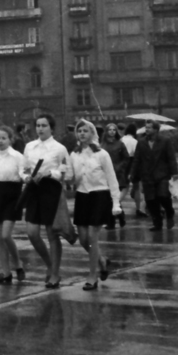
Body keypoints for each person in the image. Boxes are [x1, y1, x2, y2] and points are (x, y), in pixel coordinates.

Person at [69, 119, 123, 290]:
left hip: (100, 195)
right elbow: (71, 178)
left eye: (85, 131)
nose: (82, 134)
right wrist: (69, 178)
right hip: (82, 196)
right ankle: (101, 260)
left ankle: (92, 276)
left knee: (92, 236)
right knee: (83, 238)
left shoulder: (102, 154)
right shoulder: (74, 154)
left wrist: (116, 202)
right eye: (79, 131)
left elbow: (112, 178)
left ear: (92, 133)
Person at [20, 113, 71, 288]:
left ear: (52, 128)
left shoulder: (59, 148)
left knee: (52, 234)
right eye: (38, 126)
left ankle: (55, 274)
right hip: (34, 189)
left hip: (51, 190)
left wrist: (50, 173)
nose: (40, 129)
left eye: (44, 125)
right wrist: (25, 176)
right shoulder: (29, 147)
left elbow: (67, 172)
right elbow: (24, 168)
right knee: (32, 233)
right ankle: (49, 264)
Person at [0, 126, 26, 286]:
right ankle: (6, 272)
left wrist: (27, 177)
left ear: (10, 139)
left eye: (4, 138)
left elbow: (25, 172)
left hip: (12, 195)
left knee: (5, 234)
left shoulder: (17, 156)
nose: (0, 141)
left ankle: (18, 263)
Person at [133, 121, 178, 230]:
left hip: (162, 174)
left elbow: (171, 157)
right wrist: (133, 174)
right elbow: (137, 159)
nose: (146, 129)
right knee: (151, 200)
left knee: (163, 196)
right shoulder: (141, 142)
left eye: (149, 127)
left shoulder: (165, 141)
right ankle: (157, 223)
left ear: (156, 130)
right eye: (146, 127)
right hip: (147, 175)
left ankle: (169, 212)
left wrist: (175, 173)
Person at [99, 123, 130, 231]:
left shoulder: (120, 144)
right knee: (108, 199)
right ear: (106, 131)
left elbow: (126, 158)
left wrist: (120, 167)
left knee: (114, 197)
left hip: (117, 174)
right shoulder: (102, 145)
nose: (112, 132)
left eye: (114, 130)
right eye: (110, 130)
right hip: (105, 175)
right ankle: (115, 218)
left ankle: (115, 218)